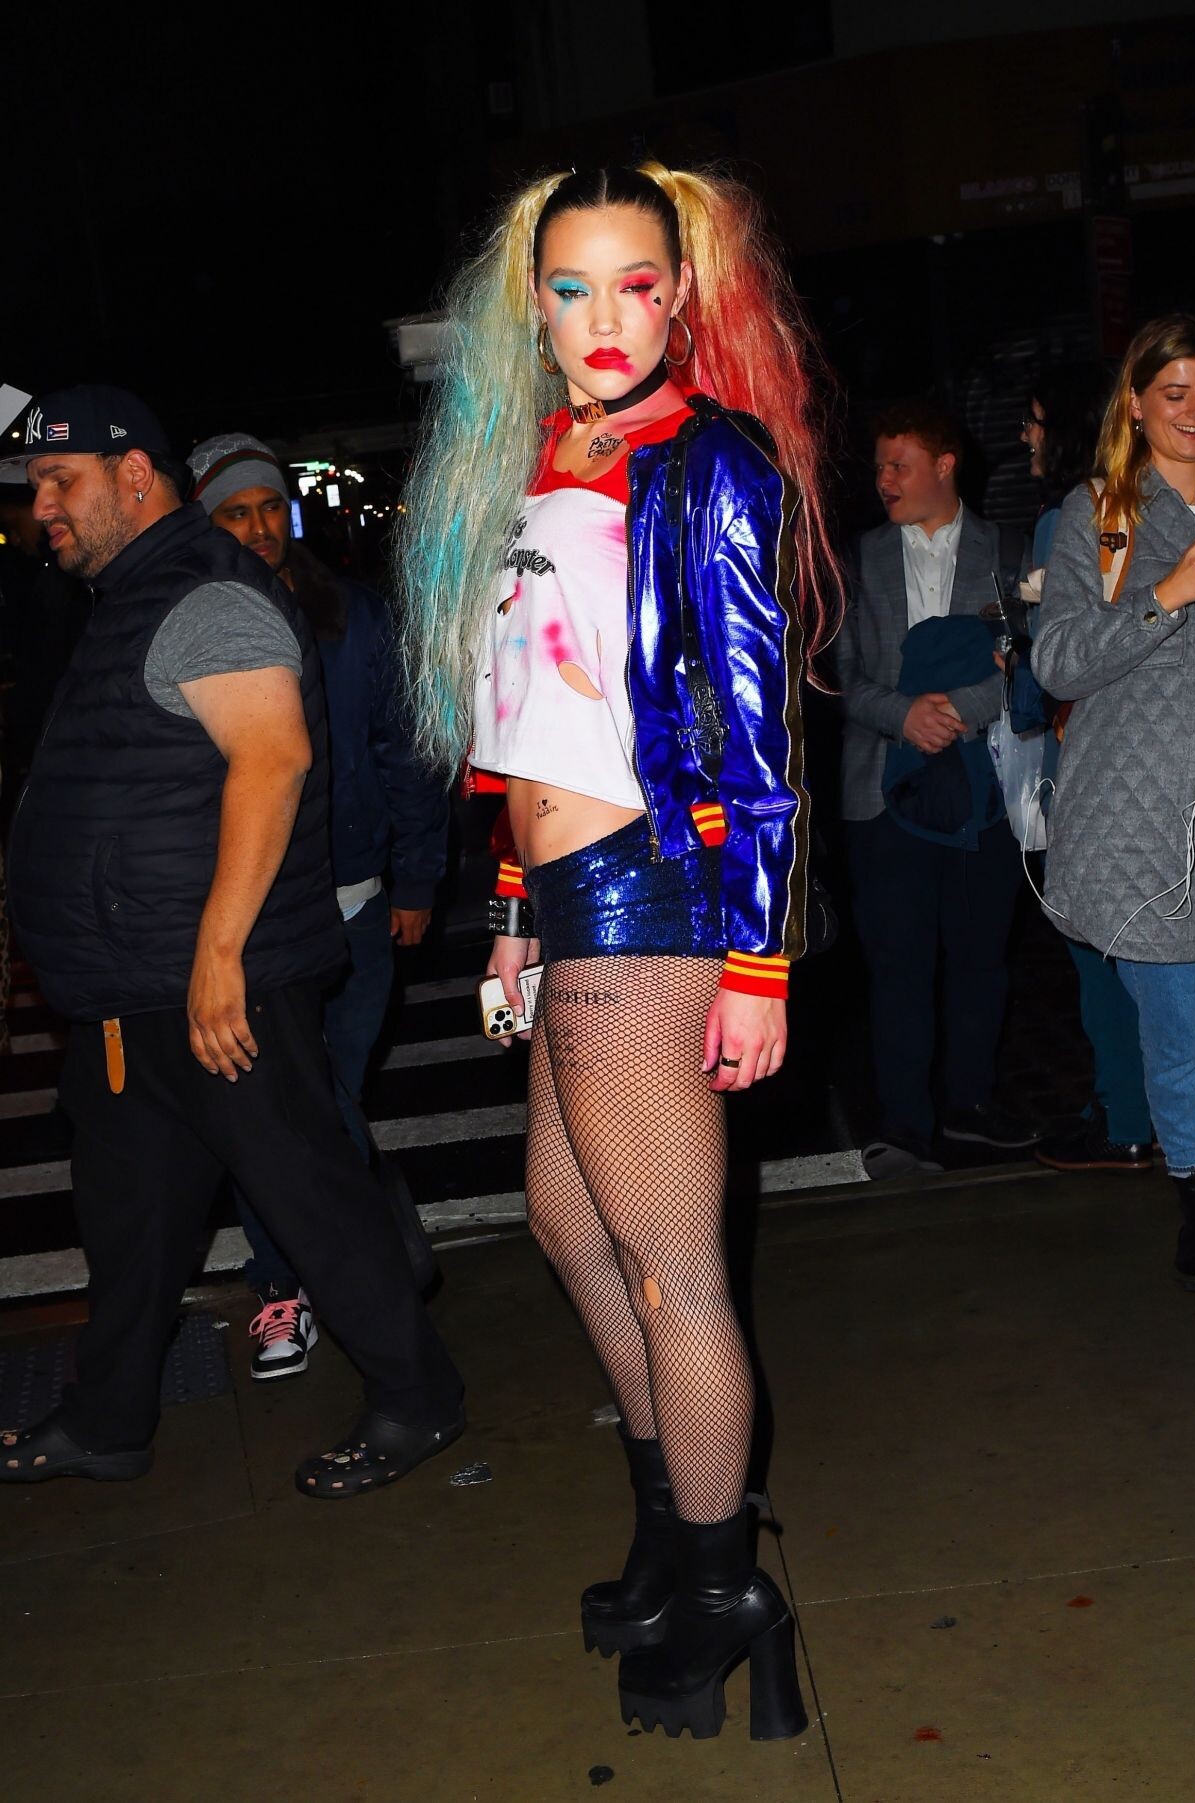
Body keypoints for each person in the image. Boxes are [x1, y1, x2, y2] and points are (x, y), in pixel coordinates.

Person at [395, 161, 841, 1742]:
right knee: (567, 1225)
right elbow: (526, 717)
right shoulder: (533, 458)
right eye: (573, 287)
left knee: (672, 1265)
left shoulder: (708, 458)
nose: (606, 317)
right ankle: (672, 1529)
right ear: (535, 303)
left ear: (682, 294)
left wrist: (759, 959)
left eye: (638, 284)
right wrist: (514, 910)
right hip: (567, 895)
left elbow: (758, 725)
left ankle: (726, 1585)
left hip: (656, 892)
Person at [0, 385, 463, 1495]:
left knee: (311, 1198)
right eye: (35, 486)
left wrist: (218, 960)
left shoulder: (204, 589)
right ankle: (109, 1419)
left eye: (61, 481)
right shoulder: (132, 594)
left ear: (135, 475)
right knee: (130, 1222)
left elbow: (273, 758)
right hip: (135, 994)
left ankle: (418, 1397)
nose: (42, 505)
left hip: (215, 986)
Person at [187, 433, 448, 1379]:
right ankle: (290, 1283)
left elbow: (405, 750)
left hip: (353, 901)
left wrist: (415, 878)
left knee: (327, 1096)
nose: (259, 526)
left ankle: (359, 1259)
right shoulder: (187, 621)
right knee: (275, 1112)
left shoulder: (354, 615)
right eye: (236, 512)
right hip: (250, 917)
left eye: (270, 508)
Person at [1032, 315, 1195, 1284]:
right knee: (1183, 1028)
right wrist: (1167, 594)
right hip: (1139, 829)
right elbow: (1057, 660)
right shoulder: (1101, 514)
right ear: (1135, 404)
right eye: (1174, 393)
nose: (1193, 411)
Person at [836, 401, 1039, 1180]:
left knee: (981, 953)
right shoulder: (856, 558)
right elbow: (838, 676)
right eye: (880, 465)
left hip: (982, 782)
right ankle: (905, 1124)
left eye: (900, 464)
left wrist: (956, 709)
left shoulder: (1008, 550)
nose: (883, 479)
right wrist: (904, 715)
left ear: (945, 466)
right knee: (898, 960)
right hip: (883, 790)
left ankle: (970, 1106)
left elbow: (1028, 658)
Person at [1016, 367, 1155, 1175]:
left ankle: (1126, 1112)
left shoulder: (1075, 517)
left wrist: (1018, 662)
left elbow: (1056, 667)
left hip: (1085, 758)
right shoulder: (1145, 510)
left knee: (1093, 943)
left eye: (1036, 420)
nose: (1025, 435)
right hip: (1144, 760)